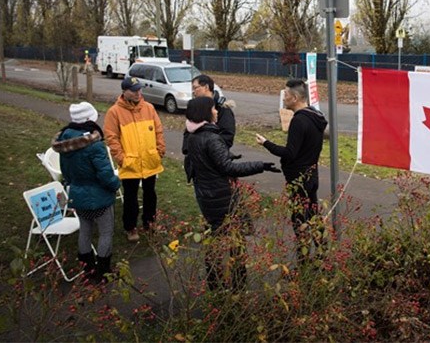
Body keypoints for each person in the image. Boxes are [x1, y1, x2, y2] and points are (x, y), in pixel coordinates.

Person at [184, 96, 280, 288]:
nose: (217, 111)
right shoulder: (211, 138)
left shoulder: (193, 136)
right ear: (205, 112)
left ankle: (215, 282)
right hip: (221, 197)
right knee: (234, 240)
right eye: (213, 109)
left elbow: (201, 163)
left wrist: (223, 156)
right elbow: (229, 169)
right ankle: (237, 285)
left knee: (217, 238)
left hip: (207, 195)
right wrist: (260, 165)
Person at [255, 79, 328, 264]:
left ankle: (303, 262)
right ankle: (322, 254)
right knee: (313, 215)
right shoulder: (316, 116)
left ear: (295, 98)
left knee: (299, 219)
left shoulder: (299, 120)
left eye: (285, 95)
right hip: (312, 174)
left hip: (299, 179)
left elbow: (290, 153)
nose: (284, 98)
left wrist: (266, 143)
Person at [52, 102, 120, 282]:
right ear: (89, 119)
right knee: (106, 232)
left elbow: (65, 172)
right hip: (99, 196)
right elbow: (105, 174)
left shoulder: (64, 143)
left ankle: (88, 270)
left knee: (85, 230)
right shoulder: (94, 145)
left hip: (78, 194)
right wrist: (115, 184)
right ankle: (103, 272)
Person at [104, 76, 165, 242]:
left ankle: (149, 223)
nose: (138, 93)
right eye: (134, 91)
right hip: (130, 163)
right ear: (124, 92)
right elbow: (112, 138)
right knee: (130, 197)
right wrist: (122, 159)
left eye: (139, 90)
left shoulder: (149, 108)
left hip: (150, 161)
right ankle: (130, 227)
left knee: (150, 195)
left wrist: (159, 150)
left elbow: (158, 131)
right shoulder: (114, 112)